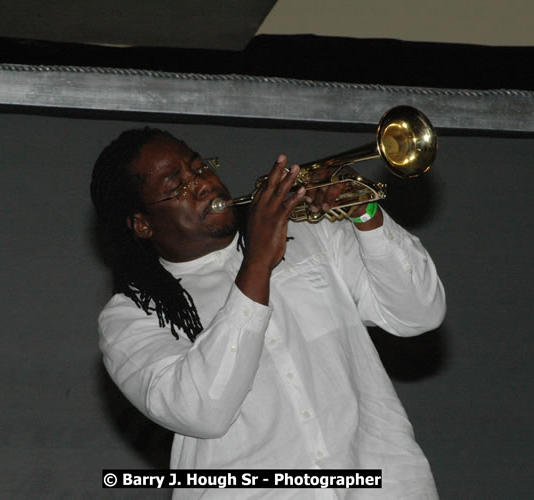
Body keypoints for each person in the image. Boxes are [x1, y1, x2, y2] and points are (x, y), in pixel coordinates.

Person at [90, 127, 446, 499]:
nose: (202, 183)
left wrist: (366, 212)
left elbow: (420, 312)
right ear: (142, 224)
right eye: (175, 184)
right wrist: (257, 264)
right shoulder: (130, 317)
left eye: (199, 167)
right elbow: (203, 409)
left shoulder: (310, 234)